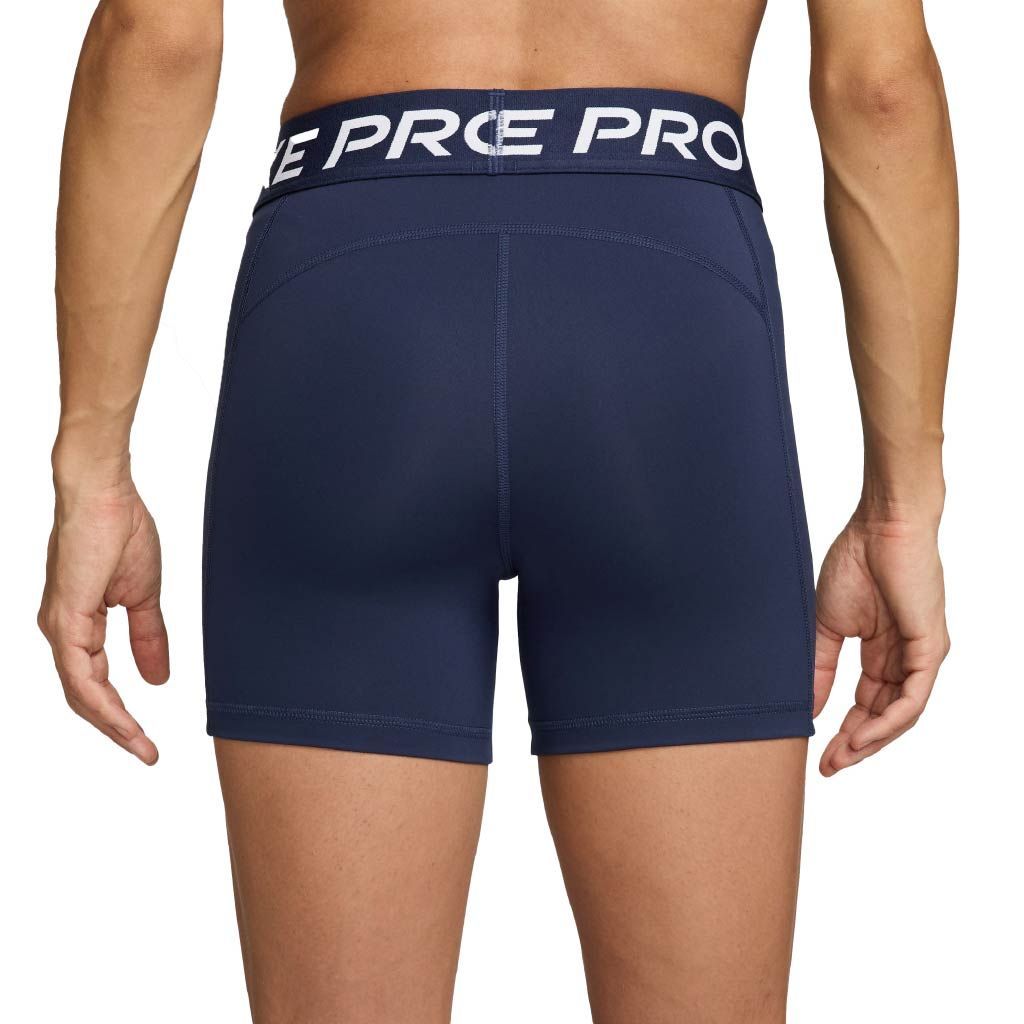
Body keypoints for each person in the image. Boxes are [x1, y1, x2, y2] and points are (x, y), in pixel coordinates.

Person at [38, 0, 956, 1020]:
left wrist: (93, 474)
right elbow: (879, 83)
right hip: (663, 311)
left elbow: (155, 34)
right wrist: (902, 510)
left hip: (356, 308)